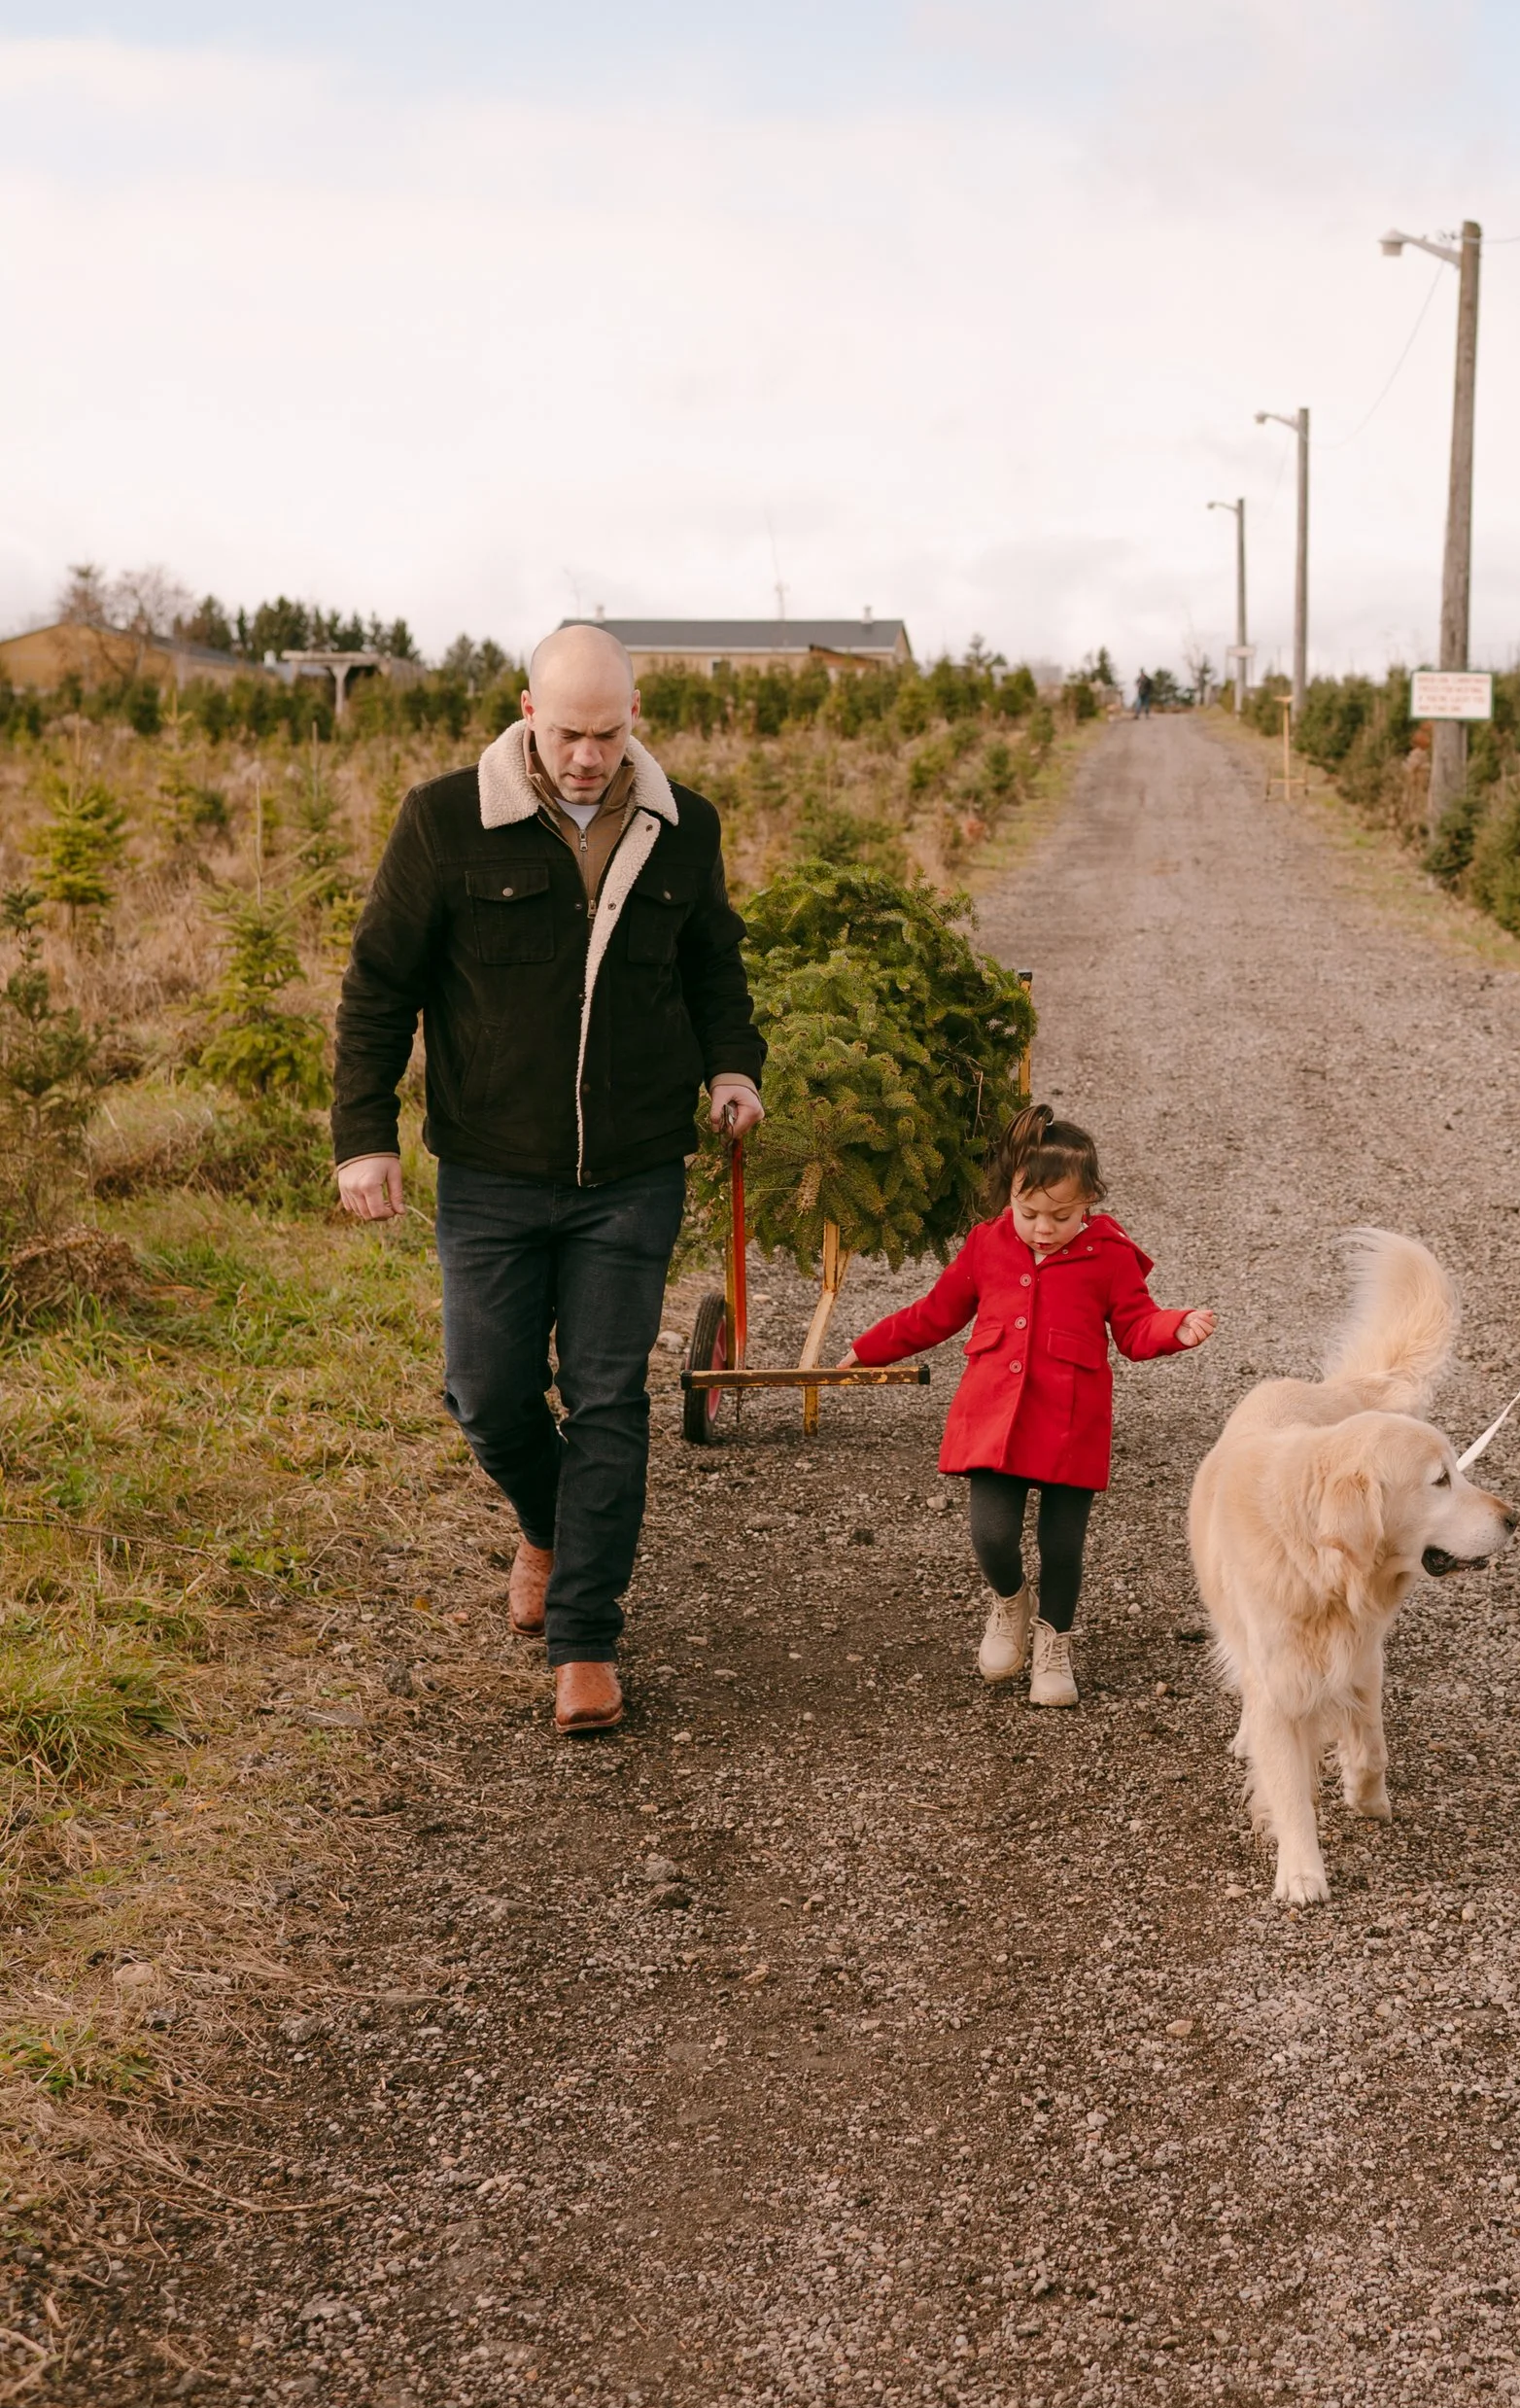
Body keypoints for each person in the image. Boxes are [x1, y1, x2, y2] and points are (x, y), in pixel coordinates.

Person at [330, 623, 765, 1736]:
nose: (585, 754)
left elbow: (713, 959)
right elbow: (382, 982)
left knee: (610, 1396)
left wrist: (731, 1064)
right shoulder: (445, 820)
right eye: (567, 730)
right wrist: (363, 1133)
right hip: (490, 1167)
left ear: (634, 722)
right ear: (528, 708)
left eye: (607, 732)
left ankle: (585, 1639)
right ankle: (550, 1520)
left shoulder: (681, 825)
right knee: (486, 1392)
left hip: (631, 1168)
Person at [839, 1104, 1215, 1706]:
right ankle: (1011, 1602)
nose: (1042, 1227)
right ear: (1009, 1195)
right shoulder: (988, 1246)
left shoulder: (1110, 1257)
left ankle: (1054, 1642)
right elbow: (934, 1313)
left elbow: (1138, 1326)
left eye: (1061, 1216)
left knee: (1062, 1546)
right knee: (991, 1536)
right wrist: (870, 1348)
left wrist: (1176, 1327)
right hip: (992, 1419)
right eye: (1029, 1212)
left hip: (1070, 1422)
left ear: (1088, 1201)